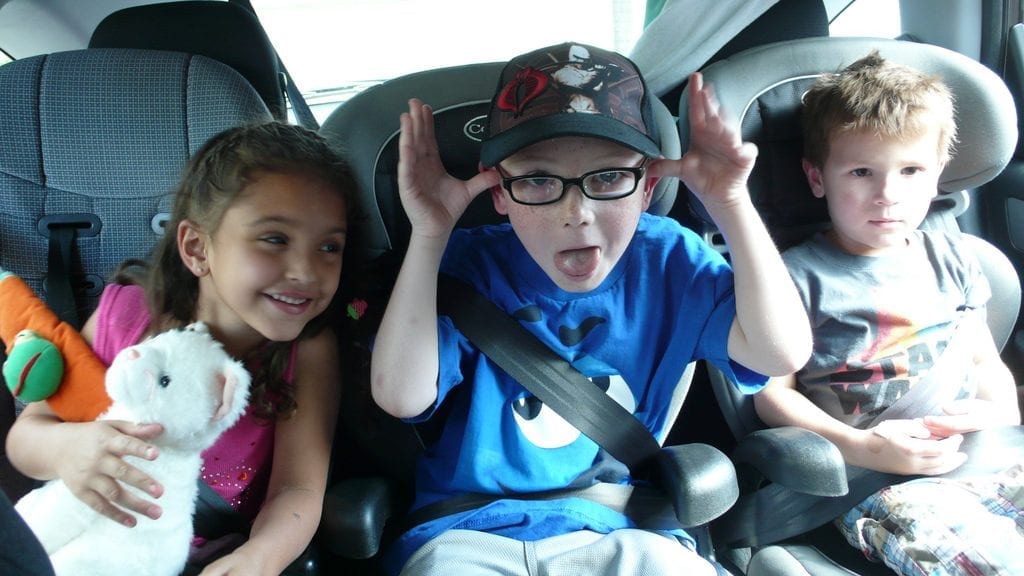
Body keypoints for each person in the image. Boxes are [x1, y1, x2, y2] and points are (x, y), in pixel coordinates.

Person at [371, 41, 812, 575]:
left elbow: (780, 351)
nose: (575, 213)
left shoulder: (669, 260)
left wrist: (730, 204)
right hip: (466, 535)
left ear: (647, 187)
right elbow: (400, 395)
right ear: (501, 193)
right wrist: (430, 235)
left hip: (618, 529)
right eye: (537, 180)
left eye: (607, 178)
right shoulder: (467, 265)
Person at [6, 122, 355, 576]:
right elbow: (26, 436)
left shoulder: (306, 352)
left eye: (330, 246)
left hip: (206, 559)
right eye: (275, 239)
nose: (306, 271)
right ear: (196, 247)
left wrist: (258, 559)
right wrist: (68, 449)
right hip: (81, 546)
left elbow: (297, 490)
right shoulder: (124, 317)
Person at [753, 52, 1024, 575]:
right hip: (874, 480)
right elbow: (771, 395)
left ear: (938, 175)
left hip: (978, 456)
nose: (888, 194)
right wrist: (864, 448)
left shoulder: (954, 257)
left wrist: (993, 410)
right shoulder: (795, 276)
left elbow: (983, 362)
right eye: (861, 171)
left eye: (911, 170)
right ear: (817, 177)